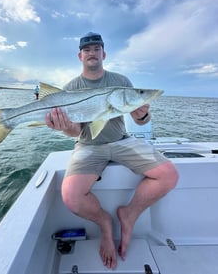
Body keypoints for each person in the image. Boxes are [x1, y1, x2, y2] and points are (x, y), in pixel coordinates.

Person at [45, 32, 179, 270]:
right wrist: (65, 126)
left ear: (104, 54)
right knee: (71, 197)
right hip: (88, 146)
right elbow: (75, 132)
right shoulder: (71, 88)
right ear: (80, 55)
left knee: (169, 175)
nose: (92, 53)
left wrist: (143, 113)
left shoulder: (121, 82)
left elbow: (139, 120)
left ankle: (129, 214)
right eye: (87, 49)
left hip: (121, 141)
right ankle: (104, 222)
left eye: (96, 48)